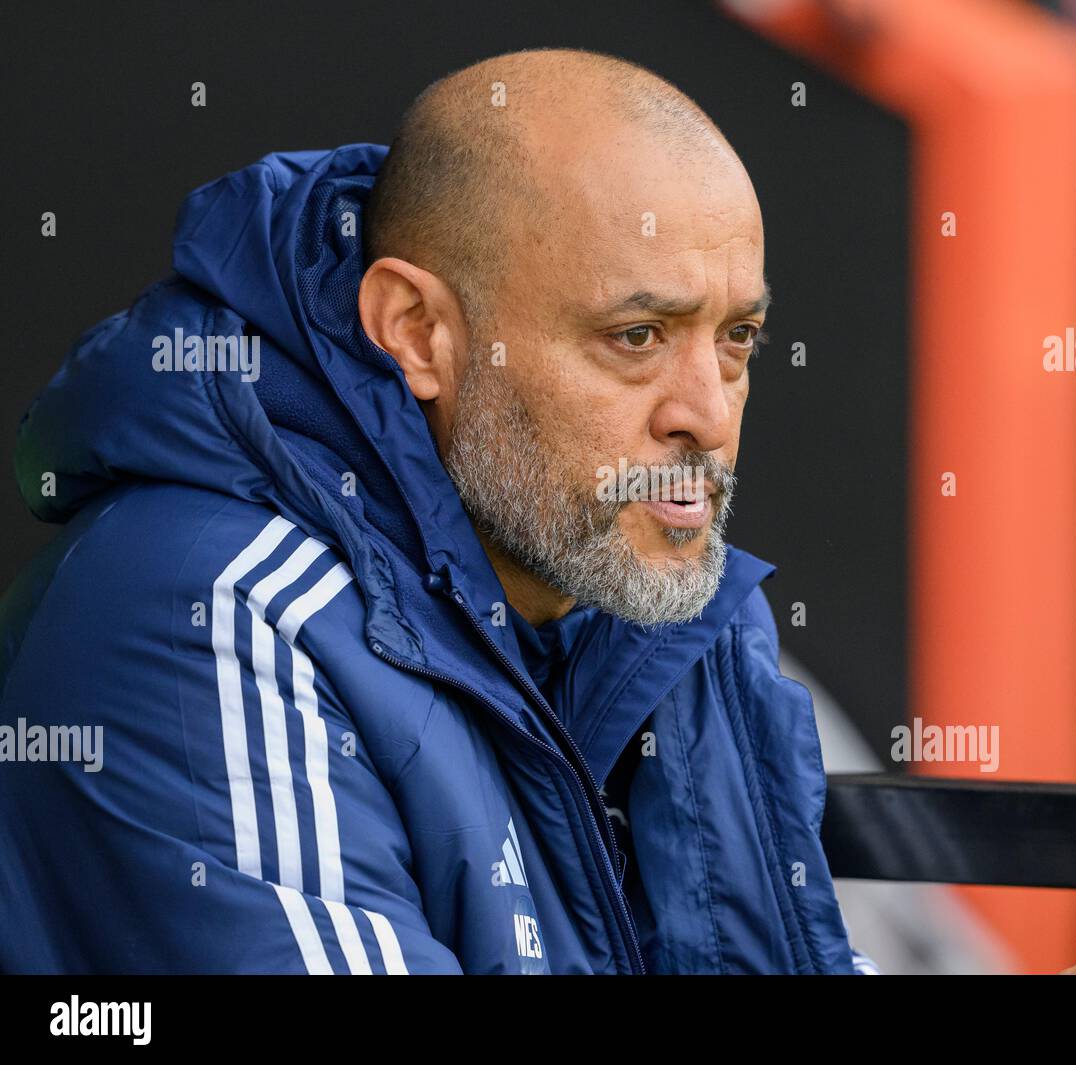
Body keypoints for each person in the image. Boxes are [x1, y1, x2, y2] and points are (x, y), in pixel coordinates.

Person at [0, 47, 875, 974]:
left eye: (737, 338)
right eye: (636, 336)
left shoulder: (666, 605)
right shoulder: (206, 616)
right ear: (417, 332)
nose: (705, 416)